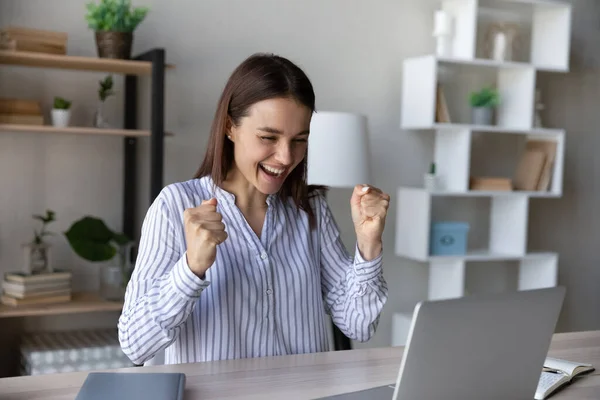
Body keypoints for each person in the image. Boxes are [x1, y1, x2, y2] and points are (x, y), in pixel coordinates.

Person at [118, 53, 390, 366]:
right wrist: (191, 268)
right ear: (230, 127)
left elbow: (359, 325)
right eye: (268, 137)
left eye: (299, 140)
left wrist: (369, 245)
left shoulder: (310, 209)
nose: (286, 157)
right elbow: (135, 345)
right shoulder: (175, 206)